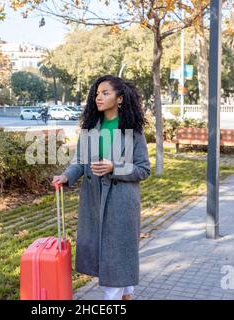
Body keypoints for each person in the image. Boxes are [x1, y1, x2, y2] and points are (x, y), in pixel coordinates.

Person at [52, 75, 151, 300]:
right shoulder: (90, 129)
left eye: (105, 93)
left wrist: (114, 168)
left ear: (120, 99)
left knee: (115, 256)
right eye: (97, 93)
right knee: (110, 255)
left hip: (121, 203)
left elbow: (143, 169)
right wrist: (66, 177)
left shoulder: (133, 130)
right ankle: (127, 294)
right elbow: (79, 162)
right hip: (94, 200)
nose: (99, 97)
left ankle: (115, 298)